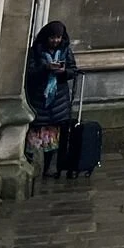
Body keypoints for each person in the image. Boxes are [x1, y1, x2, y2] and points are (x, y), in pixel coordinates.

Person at [24, 22, 79, 177]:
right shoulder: (35, 51)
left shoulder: (65, 51)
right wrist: (46, 68)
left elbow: (73, 70)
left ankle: (47, 169)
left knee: (52, 140)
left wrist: (63, 72)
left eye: (58, 38)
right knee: (34, 137)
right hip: (39, 99)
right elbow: (29, 73)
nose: (56, 41)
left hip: (58, 100)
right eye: (53, 37)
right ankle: (30, 165)